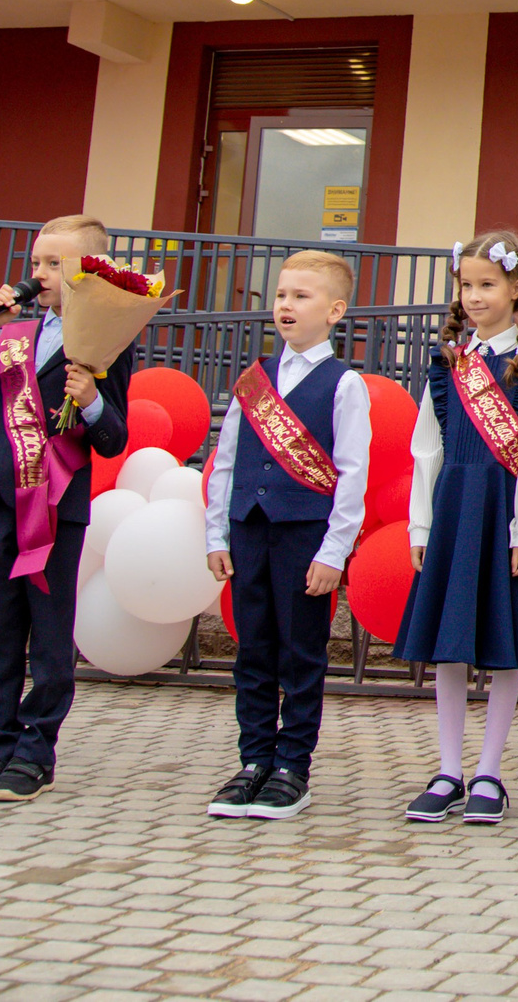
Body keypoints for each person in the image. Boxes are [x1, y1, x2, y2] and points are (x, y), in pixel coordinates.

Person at [0, 213, 133, 803]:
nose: (41, 274)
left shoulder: (106, 342)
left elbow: (113, 438)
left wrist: (93, 402)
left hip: (56, 505)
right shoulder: (13, 335)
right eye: (35, 263)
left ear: (89, 272)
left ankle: (35, 748)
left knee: (48, 633)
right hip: (2, 494)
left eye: (56, 264)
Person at [395, 230, 518, 826]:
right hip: (454, 510)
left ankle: (490, 771)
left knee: (501, 643)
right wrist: (420, 526)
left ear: (517, 288)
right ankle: (447, 769)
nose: (473, 296)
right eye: (465, 285)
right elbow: (426, 448)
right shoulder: (448, 366)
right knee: (449, 645)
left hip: (504, 511)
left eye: (486, 284)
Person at [203, 250, 371, 820]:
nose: (285, 306)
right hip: (249, 530)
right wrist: (216, 535)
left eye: (301, 297)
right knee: (253, 649)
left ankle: (291, 767)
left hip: (305, 537)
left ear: (335, 311)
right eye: (281, 296)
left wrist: (334, 551)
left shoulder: (345, 384)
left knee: (301, 653)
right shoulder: (253, 381)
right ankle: (253, 759)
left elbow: (352, 476)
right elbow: (224, 462)